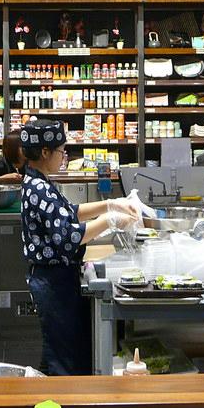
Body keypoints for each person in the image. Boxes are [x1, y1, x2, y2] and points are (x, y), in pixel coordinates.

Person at [20, 119, 141, 375]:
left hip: (55, 277)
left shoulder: (40, 182)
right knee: (62, 356)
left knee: (59, 347)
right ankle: (62, 406)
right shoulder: (38, 188)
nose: (63, 158)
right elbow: (69, 236)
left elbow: (69, 213)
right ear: (45, 152)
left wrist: (111, 204)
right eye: (62, 151)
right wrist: (108, 221)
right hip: (52, 280)